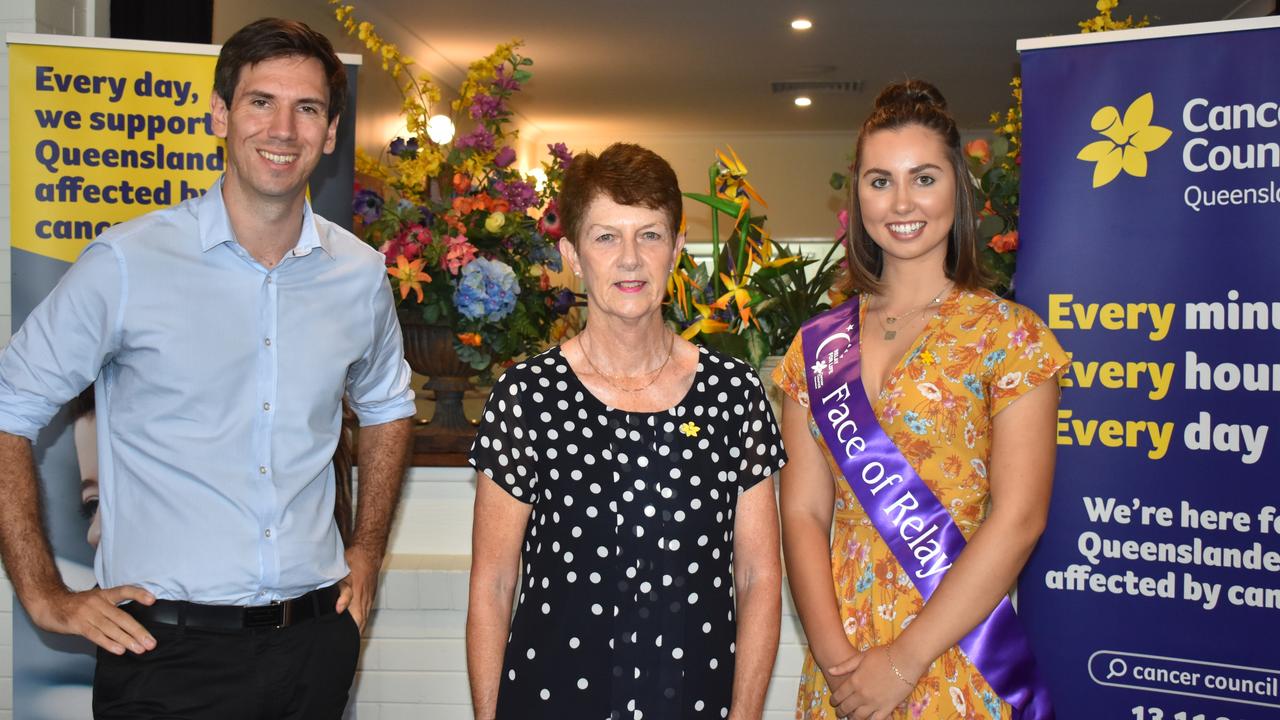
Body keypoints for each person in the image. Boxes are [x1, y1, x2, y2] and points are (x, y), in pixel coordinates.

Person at [0, 18, 415, 719]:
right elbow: (10, 407)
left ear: (331, 131)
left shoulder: (360, 273)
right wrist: (42, 591)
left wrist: (367, 550)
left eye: (307, 108)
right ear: (220, 115)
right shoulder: (126, 264)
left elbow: (386, 406)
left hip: (313, 646)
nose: (283, 129)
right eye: (261, 102)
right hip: (163, 657)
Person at [776, 80, 1068, 720]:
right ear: (857, 194)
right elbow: (800, 512)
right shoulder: (815, 346)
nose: (901, 202)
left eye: (923, 178)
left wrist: (904, 662)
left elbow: (1021, 519)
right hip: (844, 660)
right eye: (880, 181)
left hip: (956, 651)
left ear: (959, 188)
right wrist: (836, 662)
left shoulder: (1010, 335)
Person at [466, 142, 787, 719]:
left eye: (650, 235)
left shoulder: (734, 396)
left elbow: (760, 576)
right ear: (572, 254)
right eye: (606, 237)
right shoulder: (525, 398)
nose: (631, 259)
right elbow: (492, 583)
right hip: (550, 699)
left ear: (678, 250)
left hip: (694, 700)